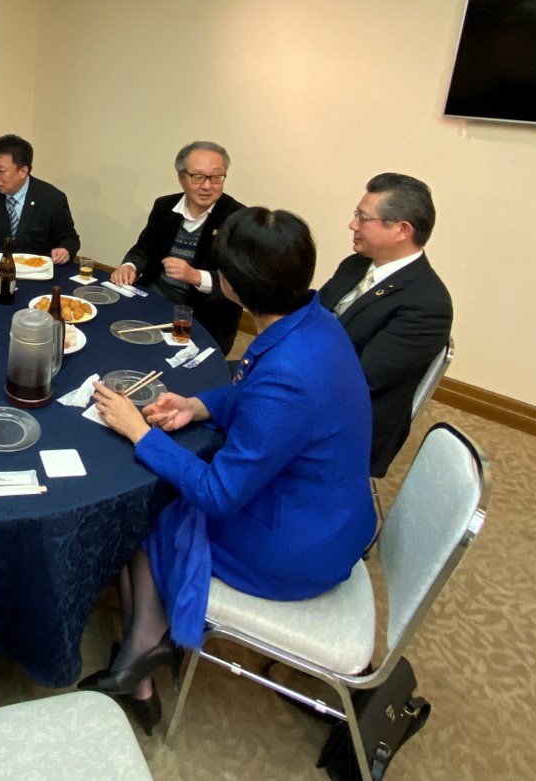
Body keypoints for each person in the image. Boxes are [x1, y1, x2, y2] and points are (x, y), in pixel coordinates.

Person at [86, 206, 376, 734]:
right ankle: (143, 649)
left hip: (298, 545)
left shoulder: (288, 375)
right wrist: (198, 406)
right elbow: (256, 394)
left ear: (234, 286)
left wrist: (140, 432)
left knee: (148, 510)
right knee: (162, 487)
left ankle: (140, 654)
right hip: (332, 512)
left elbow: (220, 492)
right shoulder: (315, 323)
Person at [317, 172, 454, 478]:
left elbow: (360, 381)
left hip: (348, 422)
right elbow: (313, 316)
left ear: (402, 230)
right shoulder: (355, 265)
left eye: (363, 218)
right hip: (312, 385)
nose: (352, 225)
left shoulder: (427, 303)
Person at [112, 141, 243, 353]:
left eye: (216, 177)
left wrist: (195, 276)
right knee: (118, 336)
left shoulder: (238, 219)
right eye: (198, 177)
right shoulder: (165, 206)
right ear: (182, 178)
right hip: (155, 296)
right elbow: (144, 247)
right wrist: (130, 266)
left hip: (205, 314)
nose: (207, 186)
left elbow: (239, 281)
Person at [0, 134, 79, 263]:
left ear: (23, 171)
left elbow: (70, 238)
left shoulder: (51, 198)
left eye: (2, 171)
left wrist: (65, 250)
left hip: (35, 268)